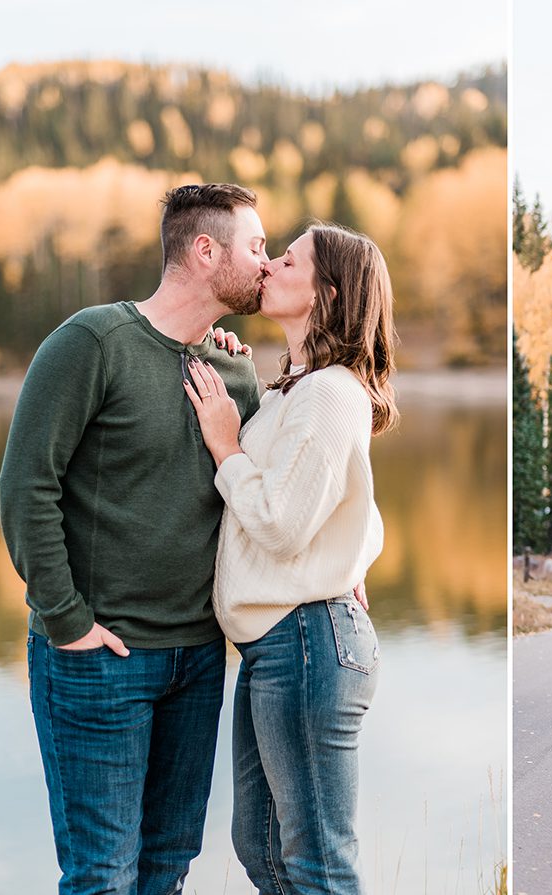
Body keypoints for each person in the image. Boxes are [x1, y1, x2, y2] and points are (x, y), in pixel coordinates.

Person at [0, 183, 266, 895]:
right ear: (206, 251)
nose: (266, 264)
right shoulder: (93, 342)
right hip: (99, 660)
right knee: (102, 876)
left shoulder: (237, 370)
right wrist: (67, 619)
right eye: (256, 246)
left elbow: (272, 498)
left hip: (199, 661)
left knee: (166, 871)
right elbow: (27, 486)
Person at [182, 222, 397, 894]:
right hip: (280, 645)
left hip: (305, 641)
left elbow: (279, 522)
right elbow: (349, 506)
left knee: (316, 863)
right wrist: (231, 371)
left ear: (326, 292)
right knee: (264, 847)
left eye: (288, 258)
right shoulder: (300, 390)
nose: (271, 264)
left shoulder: (331, 393)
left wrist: (224, 446)